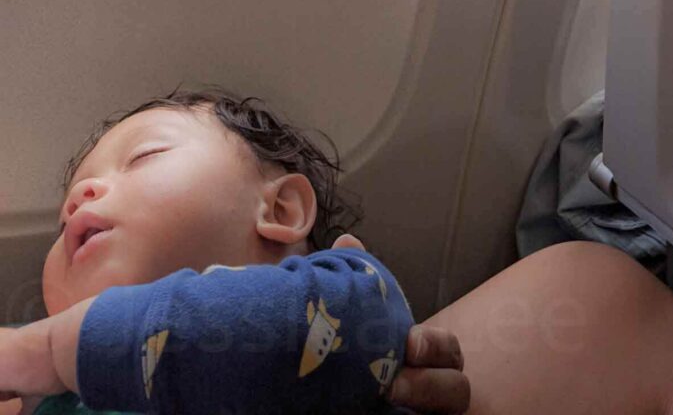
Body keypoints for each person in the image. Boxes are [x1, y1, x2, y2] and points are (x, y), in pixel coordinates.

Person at [0, 86, 468, 415]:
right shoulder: (36, 386)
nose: (81, 195)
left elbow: (284, 331)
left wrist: (39, 350)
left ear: (281, 211)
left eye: (145, 156)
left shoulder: (347, 292)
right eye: (63, 223)